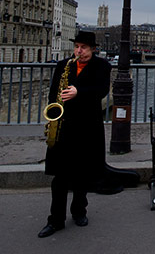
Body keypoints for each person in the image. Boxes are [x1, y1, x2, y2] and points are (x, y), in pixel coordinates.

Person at [38, 31, 111, 238]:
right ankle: (55, 220)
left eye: (84, 47)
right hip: (63, 126)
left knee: (82, 173)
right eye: (77, 46)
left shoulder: (102, 66)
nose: (79, 51)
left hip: (87, 126)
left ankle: (79, 211)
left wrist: (79, 92)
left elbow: (101, 90)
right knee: (60, 177)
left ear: (92, 49)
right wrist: (53, 117)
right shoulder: (63, 65)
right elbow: (54, 92)